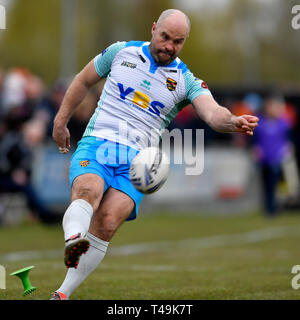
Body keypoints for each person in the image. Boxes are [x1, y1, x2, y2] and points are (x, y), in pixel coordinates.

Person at [51, 9, 259, 300]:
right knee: (89, 190)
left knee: (108, 222)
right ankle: (74, 238)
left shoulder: (185, 80)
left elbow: (213, 113)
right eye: (165, 37)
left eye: (178, 41)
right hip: (100, 142)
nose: (169, 46)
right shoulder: (120, 52)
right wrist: (60, 121)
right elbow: (83, 80)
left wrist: (232, 121)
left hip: (138, 163)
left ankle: (62, 294)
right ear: (153, 29)